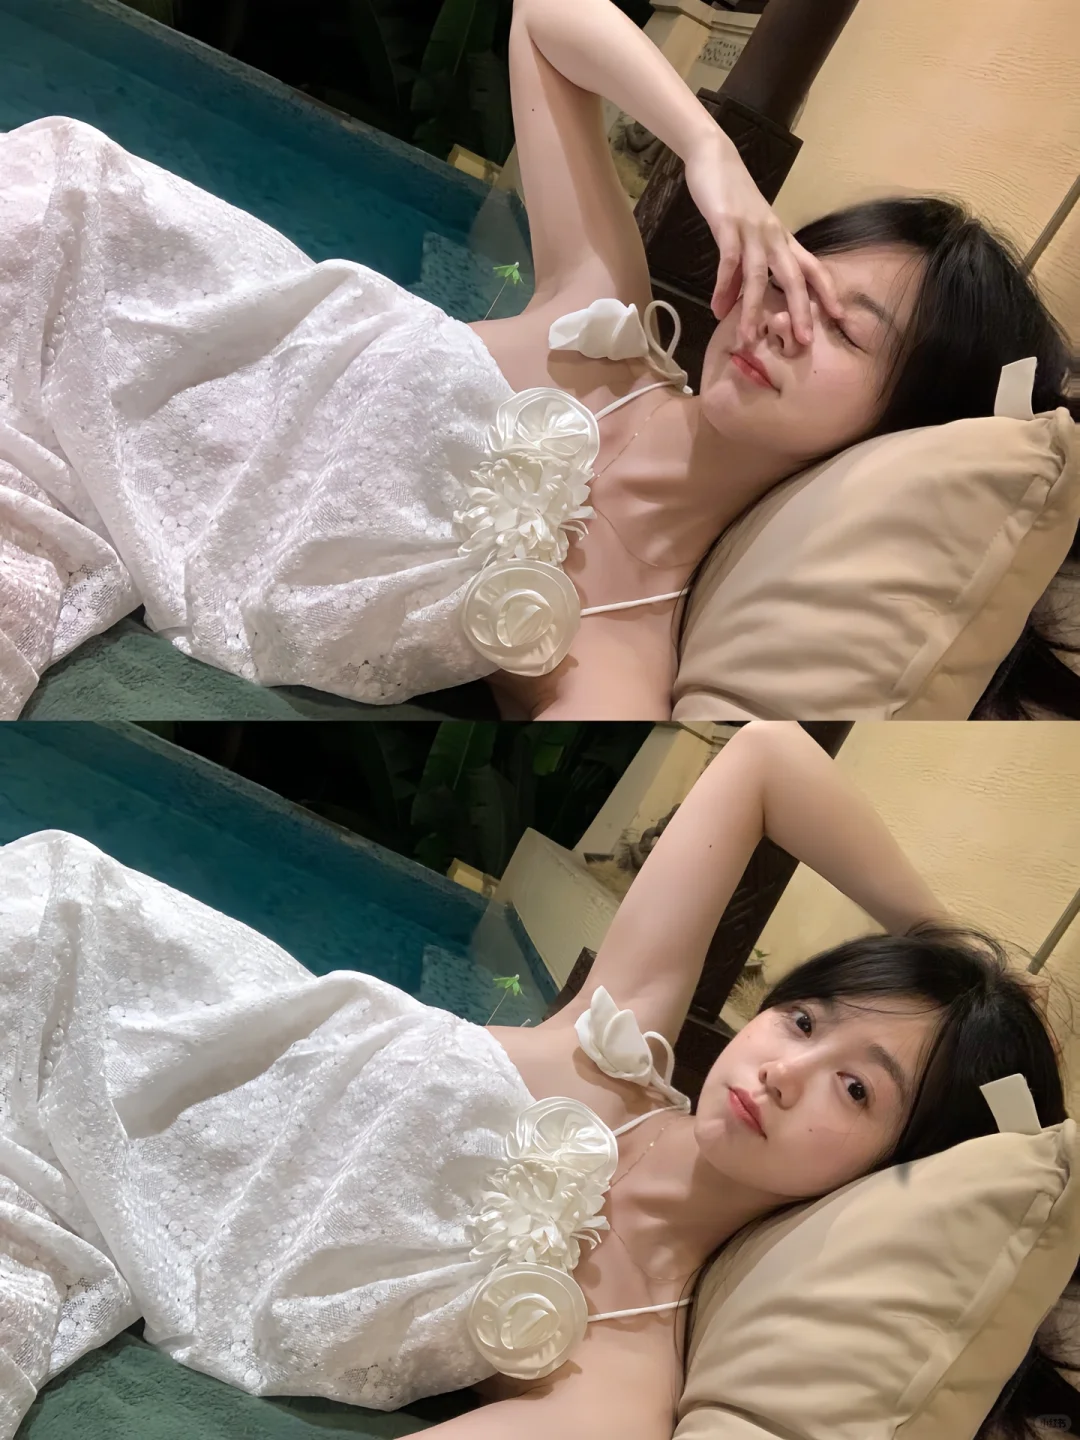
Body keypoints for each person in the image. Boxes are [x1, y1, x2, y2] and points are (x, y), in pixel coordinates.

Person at [0, 0, 1075, 721]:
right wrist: (710, 151)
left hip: (53, 494)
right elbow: (546, 17)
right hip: (88, 263)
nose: (787, 319)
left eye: (846, 332)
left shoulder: (611, 649)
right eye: (795, 276)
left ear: (895, 432)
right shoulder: (605, 323)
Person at [0, 722, 1071, 1440]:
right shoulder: (618, 1054)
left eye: (858, 1090)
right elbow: (767, 757)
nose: (784, 1070)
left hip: (66, 1191)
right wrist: (953, 957)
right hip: (101, 974)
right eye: (803, 1017)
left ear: (895, 1169)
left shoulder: (616, 1373)